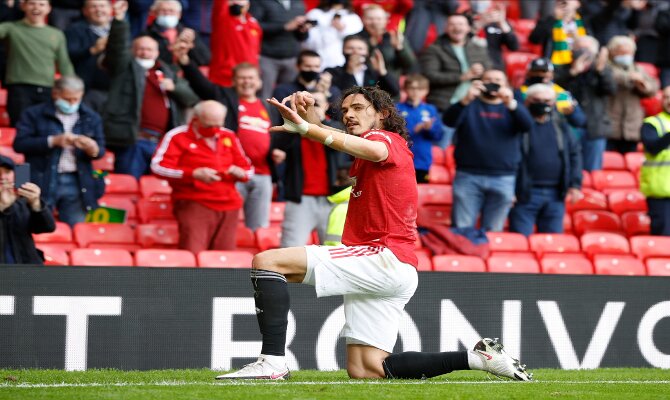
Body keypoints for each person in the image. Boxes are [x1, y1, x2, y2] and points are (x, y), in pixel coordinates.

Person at [215, 86, 532, 381]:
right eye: (345, 110)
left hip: (382, 257)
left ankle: (272, 362)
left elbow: (372, 149)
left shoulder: (387, 140)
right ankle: (479, 359)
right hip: (397, 268)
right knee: (366, 369)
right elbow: (338, 138)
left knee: (268, 261)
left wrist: (310, 128)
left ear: (382, 113)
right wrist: (309, 115)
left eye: (358, 107)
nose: (349, 114)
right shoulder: (369, 149)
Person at [102, 0, 198, 180]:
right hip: (134, 141)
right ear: (132, 51)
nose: (145, 53)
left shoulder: (167, 70)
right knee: (127, 188)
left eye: (149, 50)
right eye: (140, 49)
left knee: (156, 192)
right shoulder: (125, 68)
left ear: (157, 53)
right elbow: (116, 48)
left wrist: (174, 87)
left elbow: (191, 98)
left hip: (161, 143)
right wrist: (120, 21)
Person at [151, 101, 253, 254]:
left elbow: (249, 169)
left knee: (224, 259)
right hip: (194, 203)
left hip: (230, 205)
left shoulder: (229, 135)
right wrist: (192, 174)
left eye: (218, 125)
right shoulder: (178, 136)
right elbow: (157, 167)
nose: (214, 130)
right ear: (196, 119)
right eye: (209, 126)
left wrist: (241, 173)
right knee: (193, 255)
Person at [443, 69, 533, 232]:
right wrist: (465, 99)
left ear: (505, 84)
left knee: (493, 232)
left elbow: (527, 125)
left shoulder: (512, 107)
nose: (493, 83)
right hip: (468, 175)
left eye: (498, 80)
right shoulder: (469, 105)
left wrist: (511, 103)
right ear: (481, 83)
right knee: (462, 230)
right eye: (489, 79)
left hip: (503, 177)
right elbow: (449, 121)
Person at [13, 76, 106, 227]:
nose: (72, 103)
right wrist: (52, 141)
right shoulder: (34, 113)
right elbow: (19, 144)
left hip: (77, 180)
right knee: (33, 225)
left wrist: (92, 148)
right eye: (68, 99)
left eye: (76, 99)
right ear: (56, 94)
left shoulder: (91, 117)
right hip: (39, 176)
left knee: (77, 228)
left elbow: (100, 151)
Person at [272, 90, 351, 248]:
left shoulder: (334, 127)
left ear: (326, 106)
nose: (309, 109)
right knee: (291, 250)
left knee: (335, 253)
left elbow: (342, 146)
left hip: (333, 200)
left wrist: (317, 120)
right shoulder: (293, 130)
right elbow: (277, 144)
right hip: (300, 199)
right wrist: (294, 117)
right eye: (306, 105)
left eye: (315, 104)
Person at [509, 83, 583, 236]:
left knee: (553, 243)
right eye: (537, 100)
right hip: (525, 193)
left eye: (547, 100)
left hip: (555, 194)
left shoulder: (561, 125)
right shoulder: (518, 125)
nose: (542, 104)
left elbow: (574, 154)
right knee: (520, 242)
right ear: (527, 101)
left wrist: (575, 184)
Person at [0, 0, 74, 126]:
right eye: (32, 3)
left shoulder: (56, 34)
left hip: (48, 90)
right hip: (19, 89)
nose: (36, 8)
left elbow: (64, 64)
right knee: (20, 128)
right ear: (23, 6)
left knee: (45, 130)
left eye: (41, 4)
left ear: (49, 8)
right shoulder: (11, 28)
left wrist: (73, 87)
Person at [554, 35, 616, 171]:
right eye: (578, 47)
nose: (582, 51)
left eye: (586, 48)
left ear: (595, 52)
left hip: (594, 127)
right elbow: (555, 87)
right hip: (567, 125)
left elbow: (610, 90)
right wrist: (573, 72)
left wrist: (601, 72)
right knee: (567, 167)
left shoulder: (602, 70)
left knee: (592, 171)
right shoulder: (562, 69)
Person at [606, 35, 659, 154]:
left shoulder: (638, 69)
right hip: (611, 125)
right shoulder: (606, 67)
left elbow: (653, 88)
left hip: (632, 126)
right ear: (613, 52)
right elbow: (611, 77)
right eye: (622, 52)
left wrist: (644, 85)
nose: (626, 56)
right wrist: (630, 78)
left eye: (629, 53)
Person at [250, 0, 313, 100]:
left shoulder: (298, 3)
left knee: (290, 97)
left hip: (292, 58)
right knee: (265, 96)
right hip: (267, 57)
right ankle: (266, 116)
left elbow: (302, 37)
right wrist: (284, 27)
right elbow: (254, 26)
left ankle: (285, 116)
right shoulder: (260, 2)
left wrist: (303, 30)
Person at [0, 155, 56, 265]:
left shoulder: (24, 200)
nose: (2, 177)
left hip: (27, 267)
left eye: (7, 172)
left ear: (14, 175)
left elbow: (47, 227)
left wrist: (36, 203)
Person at [64, 0, 113, 113]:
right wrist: (92, 50)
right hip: (87, 90)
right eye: (94, 7)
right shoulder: (74, 29)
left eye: (102, 6)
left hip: (114, 90)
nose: (99, 10)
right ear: (85, 11)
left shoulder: (121, 29)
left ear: (110, 9)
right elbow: (69, 55)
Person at [396, 74, 444, 183]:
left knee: (419, 194)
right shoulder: (397, 108)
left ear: (426, 91)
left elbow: (439, 136)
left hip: (422, 160)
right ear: (405, 89)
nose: (416, 92)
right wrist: (414, 130)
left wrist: (430, 128)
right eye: (412, 88)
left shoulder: (430, 109)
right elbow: (393, 134)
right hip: (402, 160)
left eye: (420, 89)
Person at [142, 0, 210, 71]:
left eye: (171, 11)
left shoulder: (188, 33)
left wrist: (191, 46)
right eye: (163, 10)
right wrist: (173, 50)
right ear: (155, 13)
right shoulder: (147, 34)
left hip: (187, 74)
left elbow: (205, 59)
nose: (167, 13)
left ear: (179, 15)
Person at [324, 34, 399, 98]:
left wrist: (382, 71)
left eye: (360, 49)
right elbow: (340, 95)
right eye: (350, 48)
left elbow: (394, 92)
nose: (355, 52)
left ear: (367, 52)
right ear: (343, 51)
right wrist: (350, 72)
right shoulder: (333, 72)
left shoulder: (373, 73)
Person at [354, 4, 418, 77]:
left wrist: (399, 48)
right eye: (370, 18)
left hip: (390, 83)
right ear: (362, 19)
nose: (374, 22)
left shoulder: (395, 37)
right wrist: (371, 45)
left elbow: (410, 65)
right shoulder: (355, 39)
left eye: (378, 19)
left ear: (386, 20)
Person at [209, 0, 262, 87]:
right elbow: (219, 5)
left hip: (247, 79)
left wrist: (256, 74)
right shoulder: (223, 20)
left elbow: (256, 51)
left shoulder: (253, 23)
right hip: (224, 77)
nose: (235, 3)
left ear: (248, 5)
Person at [639, 85, 670, 236]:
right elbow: (652, 147)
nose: (669, 101)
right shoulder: (652, 123)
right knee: (663, 237)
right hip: (660, 192)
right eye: (666, 97)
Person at [302, 0, 363, 70]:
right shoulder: (315, 13)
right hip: (316, 58)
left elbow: (355, 38)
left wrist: (343, 29)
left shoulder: (352, 17)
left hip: (340, 60)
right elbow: (307, 39)